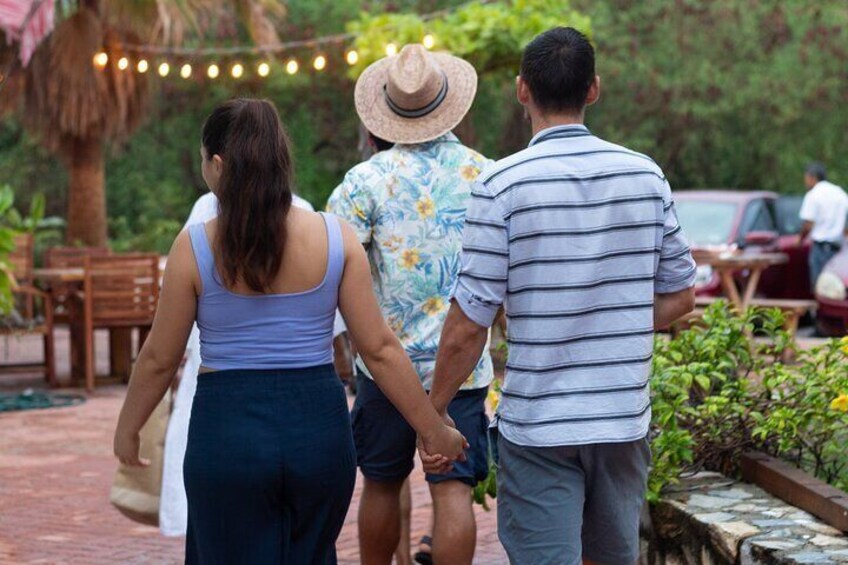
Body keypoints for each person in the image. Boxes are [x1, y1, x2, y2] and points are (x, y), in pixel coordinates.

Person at [113, 98, 466, 563]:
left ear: (217, 165)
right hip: (317, 429)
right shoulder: (335, 237)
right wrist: (432, 429)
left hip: (227, 432)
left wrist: (128, 427)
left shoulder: (194, 246)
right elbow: (378, 349)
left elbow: (160, 357)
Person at [424, 27, 696, 565]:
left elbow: (468, 324)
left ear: (522, 90)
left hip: (539, 426)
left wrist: (434, 414)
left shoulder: (501, 185)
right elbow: (682, 297)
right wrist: (606, 319)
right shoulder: (646, 175)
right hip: (622, 418)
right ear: (593, 89)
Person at [327, 45, 494, 565]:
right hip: (463, 368)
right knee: (452, 491)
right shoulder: (486, 175)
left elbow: (332, 268)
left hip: (385, 369)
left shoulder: (363, 183)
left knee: (379, 484)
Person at [158, 190, 316, 537]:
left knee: (220, 524)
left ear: (218, 163)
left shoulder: (206, 212)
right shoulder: (306, 216)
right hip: (295, 382)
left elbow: (168, 327)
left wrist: (129, 426)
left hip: (218, 382)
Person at [799, 162, 848, 287]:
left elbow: (808, 224)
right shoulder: (840, 193)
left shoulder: (813, 194)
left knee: (819, 287)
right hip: (839, 249)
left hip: (820, 249)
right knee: (838, 287)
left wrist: (799, 240)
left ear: (812, 177)